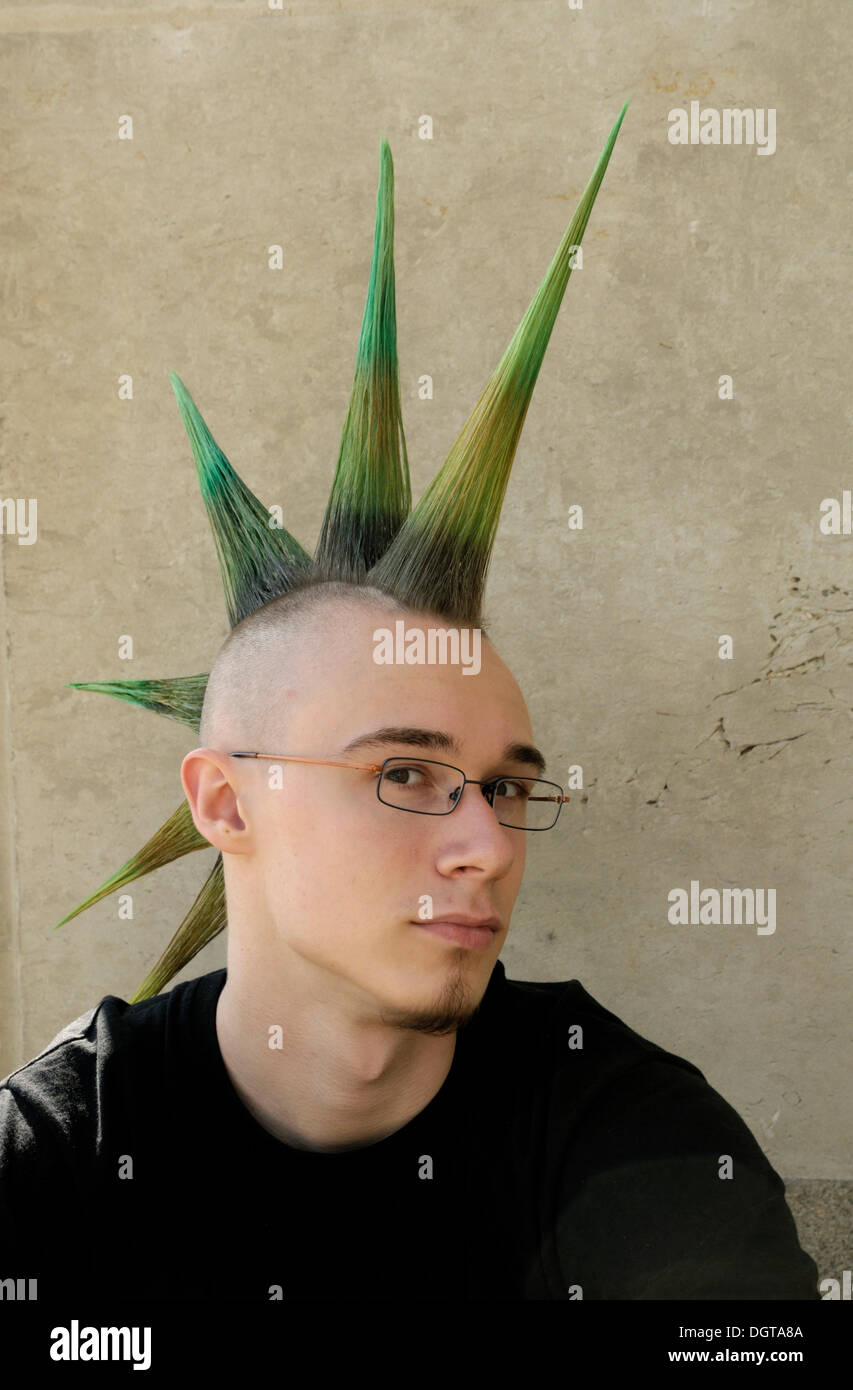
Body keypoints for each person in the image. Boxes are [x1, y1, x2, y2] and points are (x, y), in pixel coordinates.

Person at [0, 107, 819, 1300]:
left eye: (505, 785)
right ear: (226, 800)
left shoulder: (632, 1140)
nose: (487, 845)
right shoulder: (57, 1159)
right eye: (405, 774)